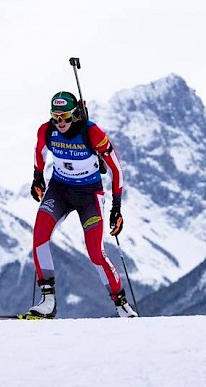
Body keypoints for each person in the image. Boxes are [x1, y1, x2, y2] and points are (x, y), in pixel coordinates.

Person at [28, 91, 138, 318]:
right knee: (39, 235)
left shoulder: (92, 132)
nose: (60, 123)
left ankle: (121, 304)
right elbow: (40, 152)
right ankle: (48, 301)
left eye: (65, 117)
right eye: (55, 117)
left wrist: (116, 208)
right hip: (59, 190)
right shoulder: (46, 130)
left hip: (89, 194)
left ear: (76, 114)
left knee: (96, 253)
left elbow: (116, 169)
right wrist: (38, 176)